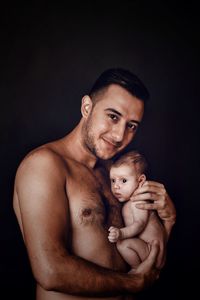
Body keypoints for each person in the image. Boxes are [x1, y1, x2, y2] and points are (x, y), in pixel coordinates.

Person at [13, 68, 176, 300]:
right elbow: (50, 271)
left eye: (132, 125)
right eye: (113, 116)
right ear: (87, 108)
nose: (120, 135)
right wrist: (133, 283)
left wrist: (169, 221)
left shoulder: (115, 173)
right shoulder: (44, 166)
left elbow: (149, 256)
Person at [108, 150, 165, 270]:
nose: (116, 186)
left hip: (152, 250)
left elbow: (140, 224)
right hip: (148, 248)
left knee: (123, 244)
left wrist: (121, 233)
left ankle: (137, 269)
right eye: (113, 180)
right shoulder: (130, 201)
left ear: (140, 181)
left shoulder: (138, 201)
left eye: (123, 180)